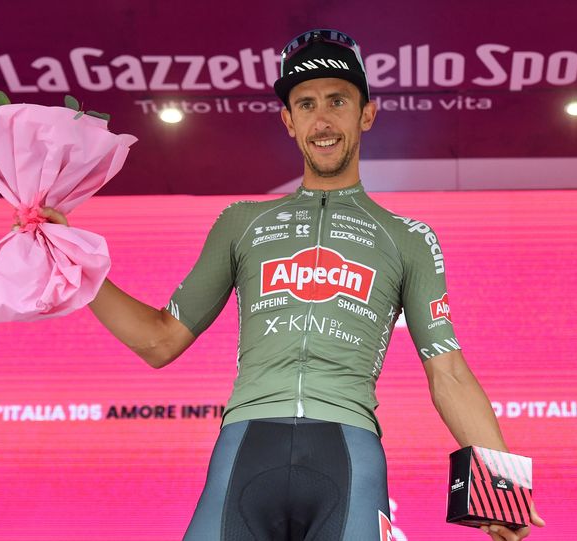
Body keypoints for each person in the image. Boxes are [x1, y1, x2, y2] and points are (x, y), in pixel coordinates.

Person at [41, 29, 544, 541]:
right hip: (244, 447)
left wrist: (501, 493)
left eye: (337, 101)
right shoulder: (241, 222)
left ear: (366, 113)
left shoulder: (408, 238)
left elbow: (450, 373)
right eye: (305, 104)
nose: (322, 120)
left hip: (348, 454)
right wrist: (72, 260)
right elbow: (159, 340)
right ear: (288, 120)